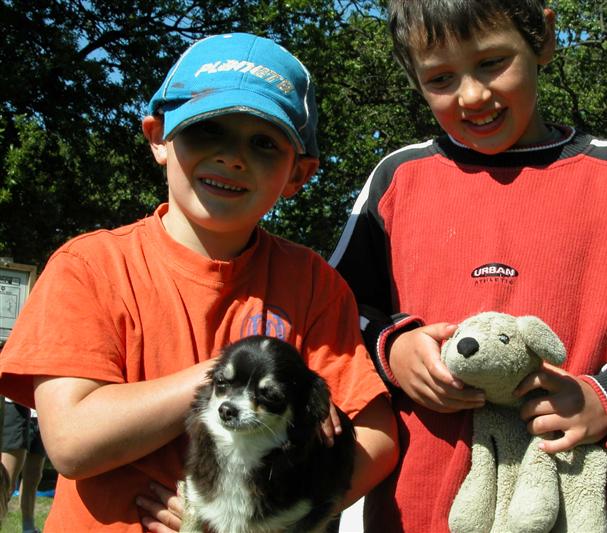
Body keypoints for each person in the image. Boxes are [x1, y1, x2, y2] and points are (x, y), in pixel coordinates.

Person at [328, 1, 607, 532]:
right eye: (441, 78)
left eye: (492, 62)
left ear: (543, 38)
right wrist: (393, 349)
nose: (472, 95)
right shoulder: (397, 180)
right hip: (417, 516)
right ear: (413, 77)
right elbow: (327, 319)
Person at [0, 32, 398, 532]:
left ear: (299, 174)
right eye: (206, 130)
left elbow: (375, 439)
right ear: (158, 138)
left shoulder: (314, 284)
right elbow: (72, 442)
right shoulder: (89, 266)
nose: (232, 157)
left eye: (264, 143)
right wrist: (222, 373)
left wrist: (258, 522)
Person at [1, 399, 47, 533]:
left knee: (33, 478)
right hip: (17, 408)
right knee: (7, 484)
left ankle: (28, 528)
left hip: (42, 411)